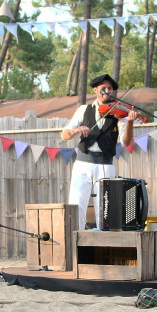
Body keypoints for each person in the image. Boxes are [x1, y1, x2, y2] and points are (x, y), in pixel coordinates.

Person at [61, 74, 139, 231]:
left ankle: (103, 246)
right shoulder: (84, 110)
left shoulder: (119, 114)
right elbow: (64, 135)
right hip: (83, 164)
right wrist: (76, 130)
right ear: (96, 90)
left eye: (110, 88)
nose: (107, 91)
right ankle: (76, 244)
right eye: (104, 88)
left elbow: (127, 142)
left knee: (106, 211)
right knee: (77, 205)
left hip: (105, 165)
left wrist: (129, 122)